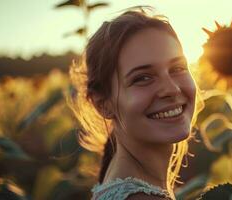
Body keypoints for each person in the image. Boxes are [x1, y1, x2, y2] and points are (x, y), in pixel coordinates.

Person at [68, 7, 202, 200]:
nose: (171, 89)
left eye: (178, 67)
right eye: (143, 78)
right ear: (104, 104)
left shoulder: (118, 179)